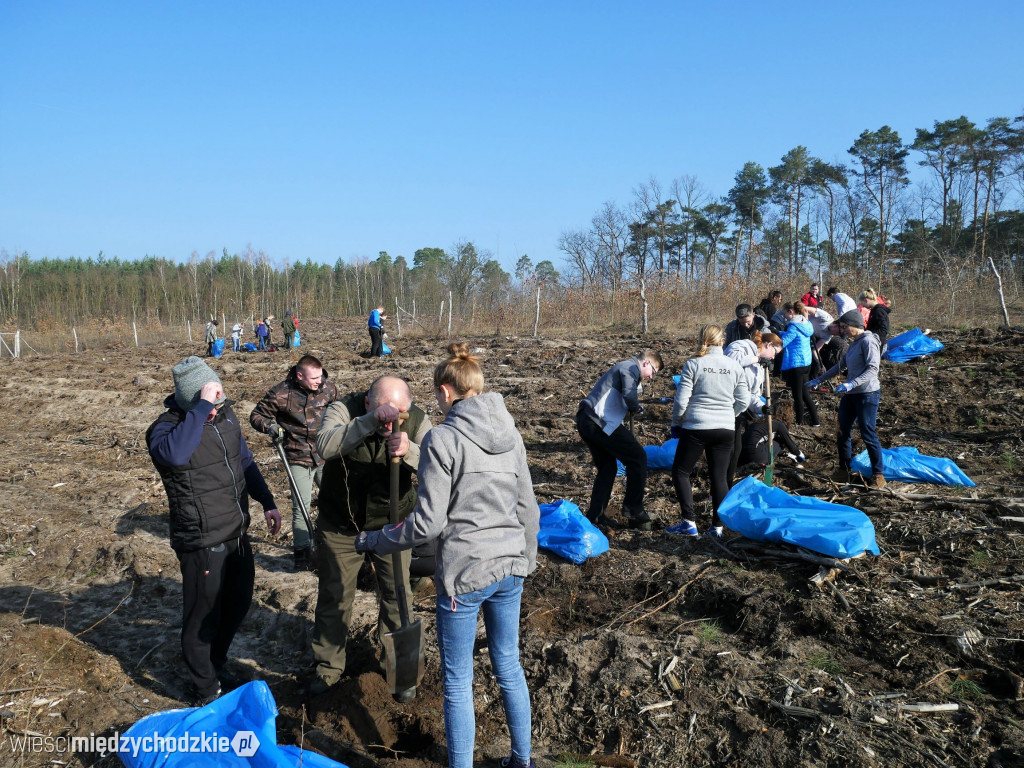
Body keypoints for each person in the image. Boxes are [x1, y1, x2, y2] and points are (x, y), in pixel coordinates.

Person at [355, 343, 540, 768]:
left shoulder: (443, 438)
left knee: (458, 681)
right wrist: (525, 560)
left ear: (445, 392)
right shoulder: (512, 436)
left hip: (465, 575)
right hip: (510, 569)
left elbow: (427, 524)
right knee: (508, 665)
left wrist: (376, 540)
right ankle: (523, 760)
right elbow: (528, 509)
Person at [145, 356, 281, 705]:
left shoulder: (225, 417)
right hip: (202, 539)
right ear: (192, 400)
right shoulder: (165, 430)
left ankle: (216, 666)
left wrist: (267, 502)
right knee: (203, 616)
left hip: (236, 531)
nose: (215, 410)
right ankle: (205, 688)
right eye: (209, 404)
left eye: (218, 403)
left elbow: (245, 462)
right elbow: (175, 457)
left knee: (237, 604)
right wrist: (201, 407)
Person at [308, 375, 431, 699]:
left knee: (398, 595)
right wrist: (368, 423)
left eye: (400, 412)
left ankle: (401, 673)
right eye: (386, 412)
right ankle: (328, 668)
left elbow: (438, 462)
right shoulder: (345, 410)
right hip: (342, 524)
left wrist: (409, 450)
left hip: (393, 525)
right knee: (335, 595)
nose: (395, 419)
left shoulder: (417, 419)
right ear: (367, 403)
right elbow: (324, 445)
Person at [249, 354, 339, 570]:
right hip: (297, 456)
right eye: (314, 378)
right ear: (299, 375)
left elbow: (339, 410)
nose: (319, 381)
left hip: (325, 454)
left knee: (336, 500)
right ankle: (303, 556)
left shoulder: (329, 388)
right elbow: (256, 415)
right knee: (301, 507)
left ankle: (333, 544)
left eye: (320, 376)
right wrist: (270, 427)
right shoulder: (281, 393)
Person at [667, 325, 749, 537]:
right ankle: (717, 527)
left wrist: (676, 422)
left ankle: (688, 522)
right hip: (725, 429)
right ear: (722, 342)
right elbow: (744, 400)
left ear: (702, 340)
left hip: (696, 426)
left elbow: (681, 399)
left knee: (681, 471)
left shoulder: (694, 364)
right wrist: (729, 414)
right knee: (719, 477)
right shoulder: (735, 366)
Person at [576, 350, 664, 531]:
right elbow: (629, 394)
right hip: (598, 421)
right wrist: (635, 407)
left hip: (588, 420)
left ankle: (595, 516)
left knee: (608, 468)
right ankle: (634, 508)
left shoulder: (628, 369)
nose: (652, 377)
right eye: (653, 372)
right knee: (638, 458)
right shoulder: (629, 367)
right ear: (646, 363)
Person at [808, 310, 886, 488]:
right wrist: (819, 379)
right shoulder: (853, 344)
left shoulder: (868, 341)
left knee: (868, 432)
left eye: (845, 327)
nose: (842, 331)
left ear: (855, 325)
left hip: (867, 393)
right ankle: (844, 469)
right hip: (850, 395)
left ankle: (878, 475)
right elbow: (840, 366)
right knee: (843, 431)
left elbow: (873, 369)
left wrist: (852, 383)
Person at [724, 331, 783, 485]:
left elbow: (752, 394)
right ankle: (719, 484)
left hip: (738, 409)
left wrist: (762, 408)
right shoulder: (741, 346)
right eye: (775, 352)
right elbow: (730, 362)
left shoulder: (759, 368)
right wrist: (756, 359)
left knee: (736, 449)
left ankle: (727, 483)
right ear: (768, 344)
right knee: (727, 448)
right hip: (723, 405)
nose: (773, 357)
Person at [778, 302, 821, 427]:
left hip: (796, 365)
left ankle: (798, 422)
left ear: (791, 311)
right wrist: (780, 332)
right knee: (805, 394)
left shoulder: (793, 327)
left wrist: (775, 334)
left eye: (784, 313)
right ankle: (815, 422)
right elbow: (793, 337)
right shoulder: (805, 323)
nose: (784, 316)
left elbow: (783, 343)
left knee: (797, 396)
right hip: (806, 363)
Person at [738, 401, 805, 467]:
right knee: (781, 441)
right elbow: (789, 443)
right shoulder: (778, 424)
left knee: (770, 441)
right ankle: (765, 461)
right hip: (756, 457)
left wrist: (788, 455)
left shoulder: (761, 421)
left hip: (741, 456)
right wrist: (799, 454)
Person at [859, 289, 891, 354]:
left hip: (879, 344)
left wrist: (868, 333)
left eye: (862, 304)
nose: (863, 306)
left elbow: (884, 330)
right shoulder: (873, 310)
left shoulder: (878, 311)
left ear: (866, 300)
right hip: (874, 342)